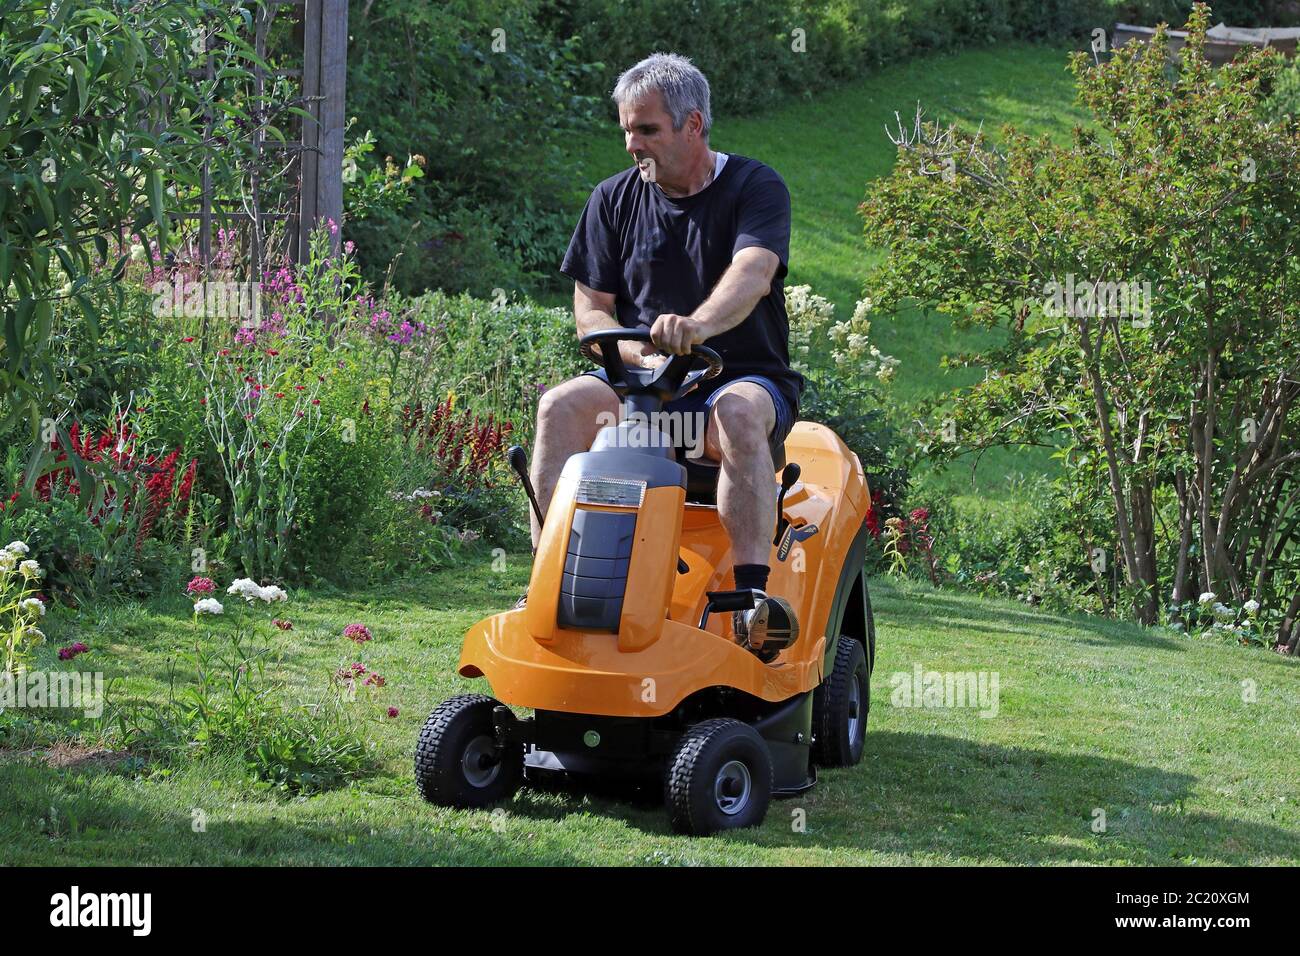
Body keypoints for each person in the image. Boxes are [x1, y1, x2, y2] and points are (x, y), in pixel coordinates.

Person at [527, 51, 803, 643]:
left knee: (736, 411)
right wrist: (635, 357)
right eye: (627, 130)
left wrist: (697, 328)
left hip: (739, 379)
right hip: (639, 389)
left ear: (693, 125)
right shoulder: (612, 199)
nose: (633, 144)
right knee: (558, 407)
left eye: (647, 129)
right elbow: (591, 309)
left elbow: (753, 273)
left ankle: (753, 601)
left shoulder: (756, 187)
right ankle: (547, 581)